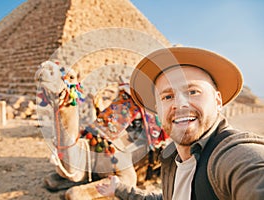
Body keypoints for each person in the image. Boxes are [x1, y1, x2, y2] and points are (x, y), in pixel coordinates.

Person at [96, 47, 264, 200]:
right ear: (157, 109)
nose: (179, 104)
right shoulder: (172, 162)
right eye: (167, 96)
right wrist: (119, 189)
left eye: (192, 92)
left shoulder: (236, 157)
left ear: (218, 100)